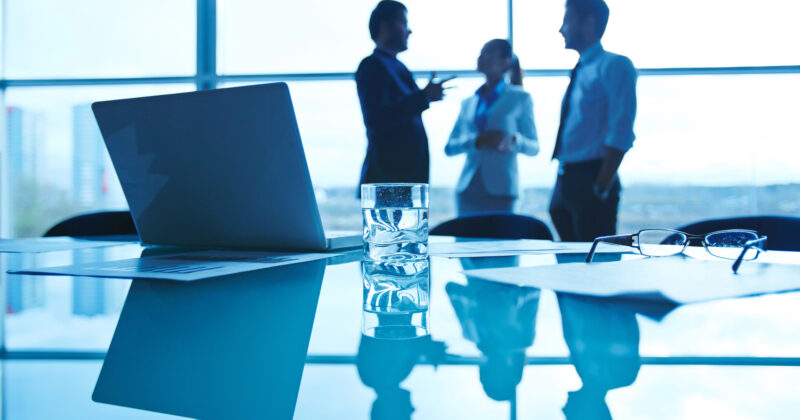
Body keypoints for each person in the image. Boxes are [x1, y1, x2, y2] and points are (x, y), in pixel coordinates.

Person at [548, 0, 637, 242]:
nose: (561, 29)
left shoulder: (615, 65)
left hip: (592, 175)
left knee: (595, 265)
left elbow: (621, 128)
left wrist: (601, 185)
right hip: (567, 175)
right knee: (569, 260)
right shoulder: (581, 69)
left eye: (567, 21)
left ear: (588, 22)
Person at [356, 0, 453, 195]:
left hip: (400, 178)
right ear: (385, 26)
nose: (409, 31)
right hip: (389, 178)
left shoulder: (395, 66)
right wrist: (423, 97)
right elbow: (376, 118)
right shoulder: (372, 65)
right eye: (404, 23)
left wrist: (423, 97)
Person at [445, 39, 539, 215]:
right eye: (480, 53)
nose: (481, 57)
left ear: (506, 62)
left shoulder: (520, 98)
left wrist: (514, 140)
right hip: (467, 190)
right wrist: (477, 141)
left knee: (504, 241)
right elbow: (449, 147)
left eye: (488, 53)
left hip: (503, 191)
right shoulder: (469, 102)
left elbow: (534, 146)